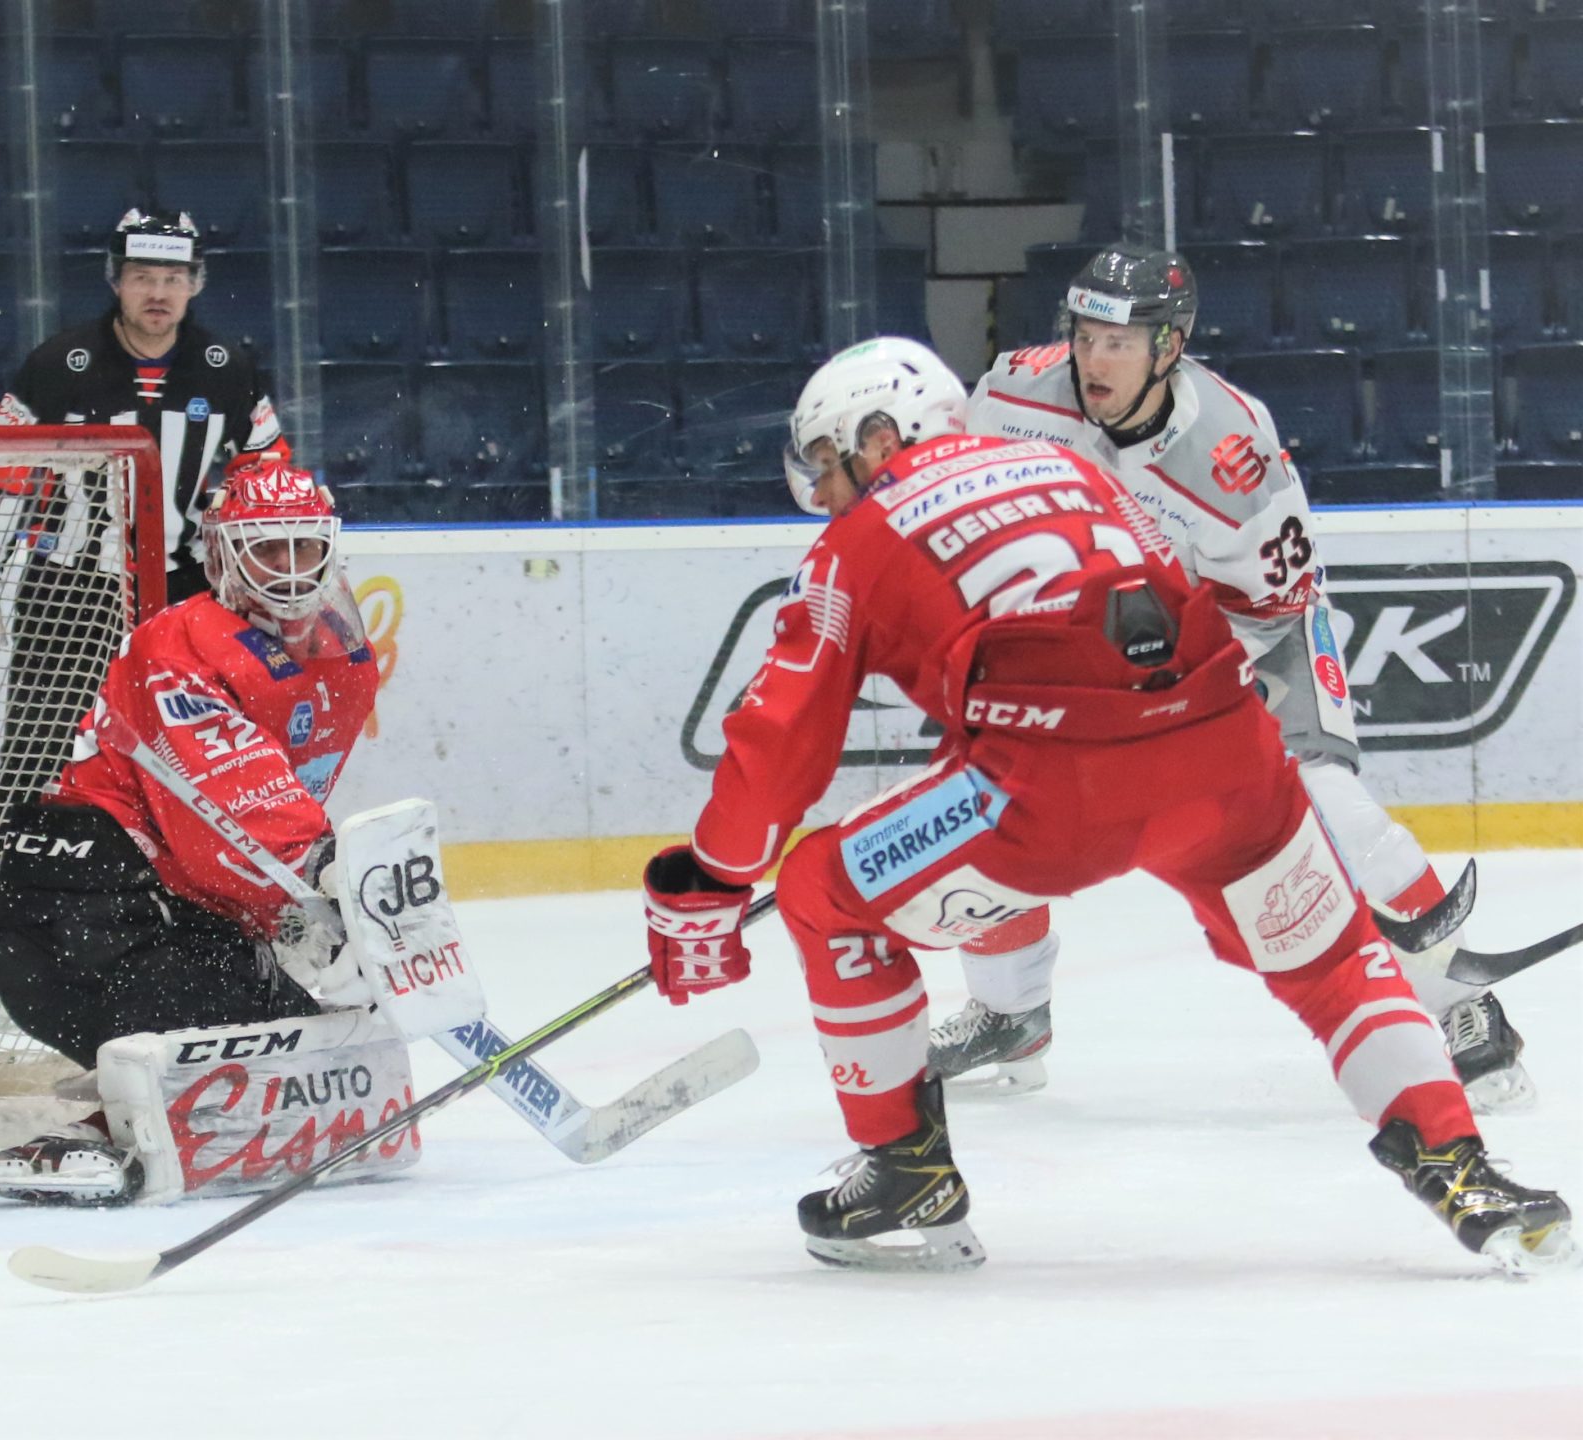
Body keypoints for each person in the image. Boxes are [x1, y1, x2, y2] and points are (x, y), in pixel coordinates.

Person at [640, 338, 1570, 1273]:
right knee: (1334, 962)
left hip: (1051, 794)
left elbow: (780, 741)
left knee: (819, 889)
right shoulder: (1071, 468)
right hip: (1228, 752)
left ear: (882, 437)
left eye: (827, 461)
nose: (823, 490)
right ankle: (1462, 1166)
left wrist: (713, 878)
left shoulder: (856, 543)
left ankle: (904, 1166)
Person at [933, 243, 1534, 1111]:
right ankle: (1008, 1011)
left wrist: (1177, 683)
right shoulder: (1011, 396)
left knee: (1328, 810)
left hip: (1249, 630)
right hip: (1084, 636)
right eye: (1085, 336)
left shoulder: (1232, 453)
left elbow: (1275, 604)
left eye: (1118, 343)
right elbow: (952, 511)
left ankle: (1462, 1004)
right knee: (979, 798)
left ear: (1169, 347)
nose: (1093, 360)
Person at [0, 453, 380, 1205]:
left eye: (305, 546)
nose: (291, 568)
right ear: (224, 552)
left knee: (304, 1045)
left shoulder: (341, 650)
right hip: (73, 922)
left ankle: (141, 1093)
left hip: (172, 908)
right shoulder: (182, 643)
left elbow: (260, 817)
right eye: (269, 548)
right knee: (224, 1025)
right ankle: (114, 1120)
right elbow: (231, 813)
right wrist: (321, 878)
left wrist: (304, 910)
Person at [0, 208, 292, 1016]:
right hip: (69, 593)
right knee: (36, 762)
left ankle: (211, 937)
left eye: (174, 278)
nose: (158, 293)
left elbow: (267, 481)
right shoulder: (59, 364)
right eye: (144, 277)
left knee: (201, 769)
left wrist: (268, 591)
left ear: (196, 284)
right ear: (117, 280)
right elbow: (1, 477)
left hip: (185, 600)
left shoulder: (230, 368)